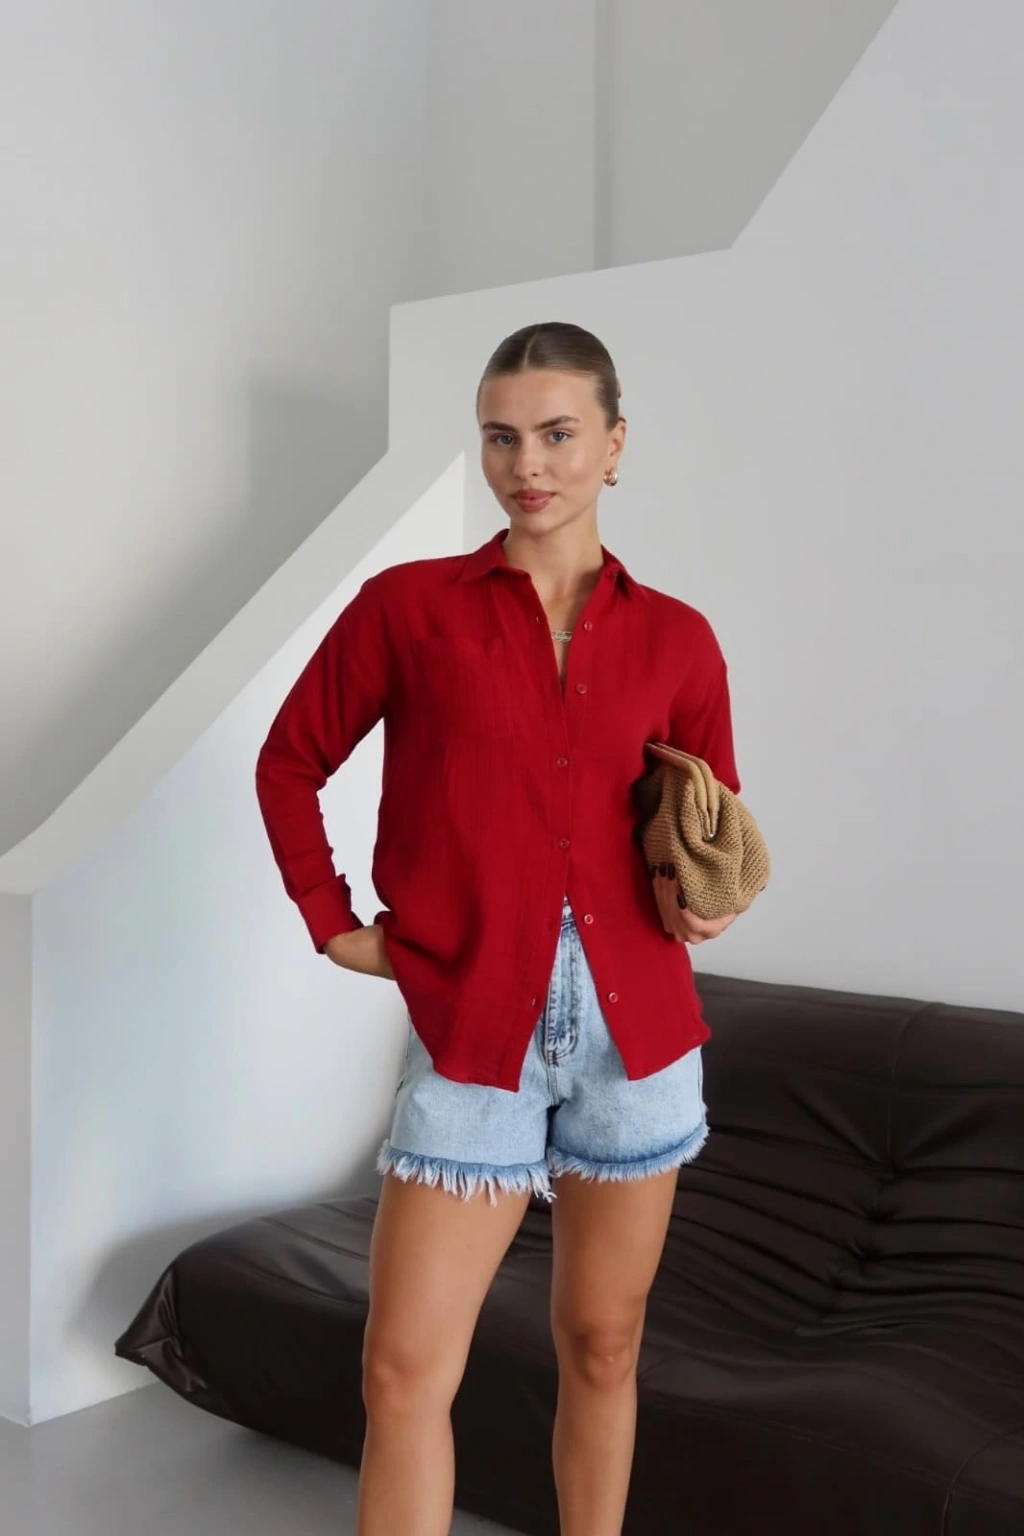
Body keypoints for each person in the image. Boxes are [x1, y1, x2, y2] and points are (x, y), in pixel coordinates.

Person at [255, 321, 743, 1536]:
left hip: (637, 1038)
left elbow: (708, 828)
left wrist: (704, 897)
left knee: (605, 1343)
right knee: (402, 1372)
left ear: (614, 444)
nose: (528, 465)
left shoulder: (678, 638)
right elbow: (288, 761)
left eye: (559, 434)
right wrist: (330, 921)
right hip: (475, 1025)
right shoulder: (407, 609)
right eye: (502, 437)